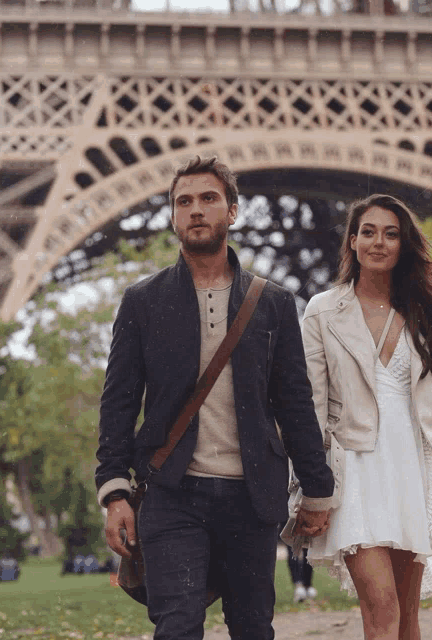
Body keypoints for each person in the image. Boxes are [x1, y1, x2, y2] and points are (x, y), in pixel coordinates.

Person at [96, 155, 335, 640]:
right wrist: (115, 492)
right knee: (178, 626)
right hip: (172, 492)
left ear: (233, 211)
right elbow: (118, 403)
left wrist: (316, 488)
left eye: (209, 198)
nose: (196, 209)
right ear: (173, 216)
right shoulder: (142, 301)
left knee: (252, 628)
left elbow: (294, 402)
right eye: (184, 201)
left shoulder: (272, 302)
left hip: (252, 496)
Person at [301, 194, 432, 640]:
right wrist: (312, 487)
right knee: (382, 607)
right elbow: (310, 404)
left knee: (408, 620)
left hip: (416, 469)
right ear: (352, 241)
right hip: (353, 470)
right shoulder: (322, 311)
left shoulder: (428, 311)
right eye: (368, 232)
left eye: (391, 234)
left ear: (403, 244)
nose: (378, 242)